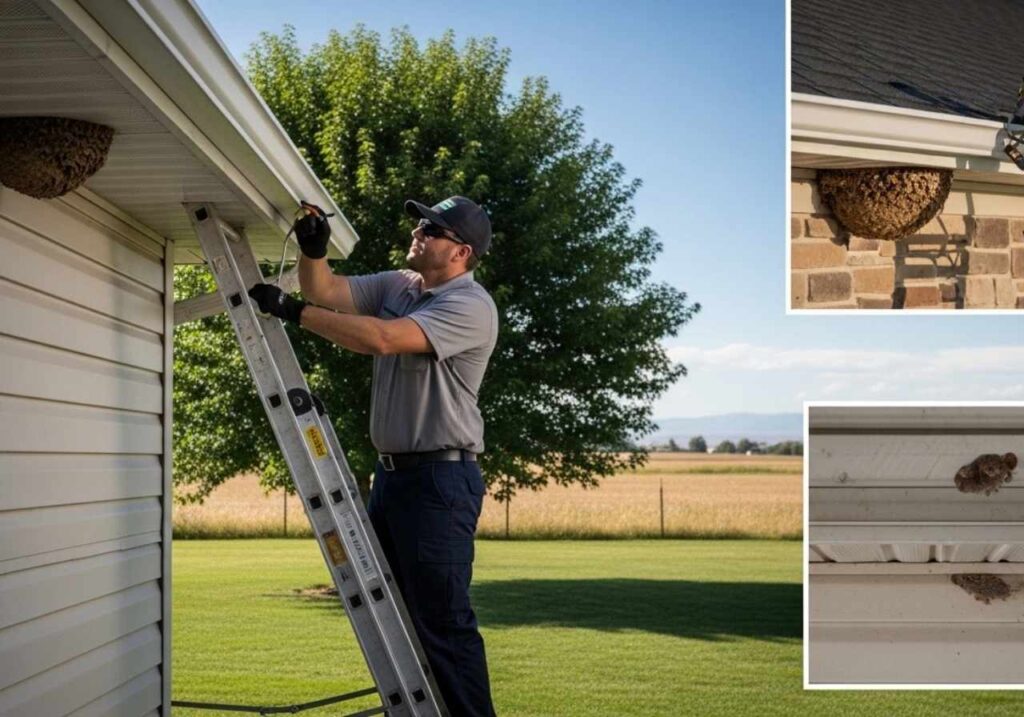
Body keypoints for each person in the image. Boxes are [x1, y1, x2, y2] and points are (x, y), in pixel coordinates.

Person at [248, 196, 499, 717]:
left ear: (461, 252)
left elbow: (383, 340)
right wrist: (313, 251)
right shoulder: (399, 286)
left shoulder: (469, 305)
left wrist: (293, 311)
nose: (419, 230)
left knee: (444, 627)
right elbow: (326, 289)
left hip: (439, 483)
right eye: (421, 222)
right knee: (399, 624)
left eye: (433, 228)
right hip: (393, 481)